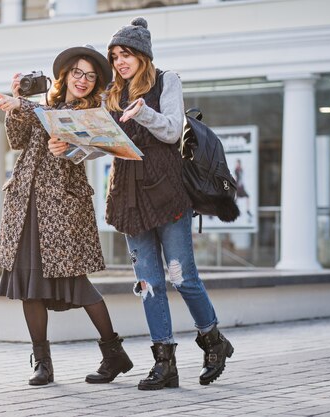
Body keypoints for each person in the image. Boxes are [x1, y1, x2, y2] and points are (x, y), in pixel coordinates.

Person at [56, 17, 235, 391]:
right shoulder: (109, 94)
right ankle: (164, 363)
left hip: (167, 191)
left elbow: (172, 129)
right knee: (149, 283)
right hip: (128, 196)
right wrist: (71, 149)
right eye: (115, 55)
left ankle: (213, 340)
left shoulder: (167, 80)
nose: (120, 61)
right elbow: (101, 143)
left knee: (182, 276)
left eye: (126, 54)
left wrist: (145, 113)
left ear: (143, 55)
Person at [0, 45, 133, 387]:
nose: (83, 80)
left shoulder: (92, 112)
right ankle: (43, 362)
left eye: (90, 75)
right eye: (77, 73)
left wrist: (65, 143)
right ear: (66, 75)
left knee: (76, 284)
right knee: (30, 287)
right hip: (26, 205)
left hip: (62, 211)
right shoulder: (45, 107)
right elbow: (17, 141)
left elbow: (83, 151)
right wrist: (15, 109)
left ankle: (113, 351)